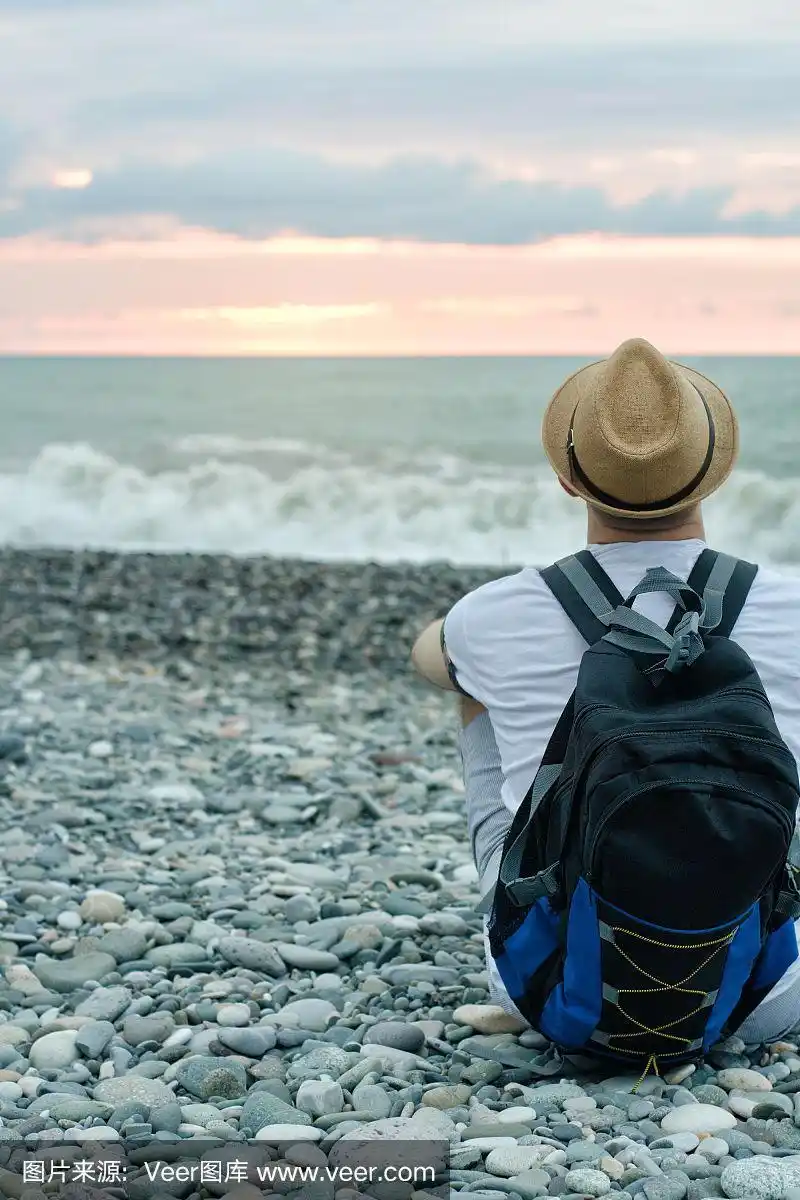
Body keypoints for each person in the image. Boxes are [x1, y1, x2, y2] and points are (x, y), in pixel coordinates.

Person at [411, 337, 800, 1044]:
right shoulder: (791, 604)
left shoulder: (494, 614)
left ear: (569, 480)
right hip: (765, 994)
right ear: (715, 477)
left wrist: (457, 642)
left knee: (473, 691)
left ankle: (528, 910)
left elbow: (429, 661)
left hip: (550, 988)